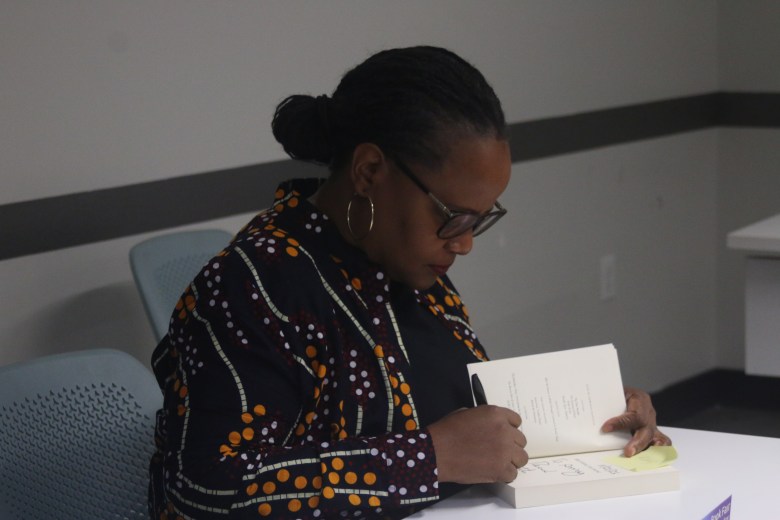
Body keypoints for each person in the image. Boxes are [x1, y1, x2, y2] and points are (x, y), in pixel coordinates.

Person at [149, 46, 671, 519]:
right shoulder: (252, 288)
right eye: (453, 217)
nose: (464, 243)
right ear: (370, 170)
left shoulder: (407, 268)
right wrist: (427, 458)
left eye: (479, 220)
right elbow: (206, 486)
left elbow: (463, 415)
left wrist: (596, 421)